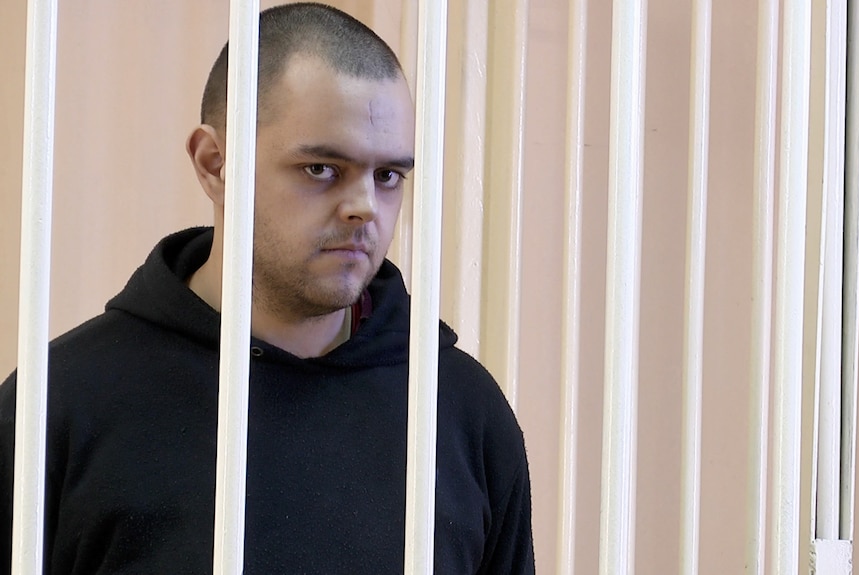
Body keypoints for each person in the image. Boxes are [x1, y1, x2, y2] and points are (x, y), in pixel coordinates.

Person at [0, 3, 534, 573]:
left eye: (387, 176)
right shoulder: (62, 404)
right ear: (214, 163)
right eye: (321, 169)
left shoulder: (457, 410)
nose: (364, 208)